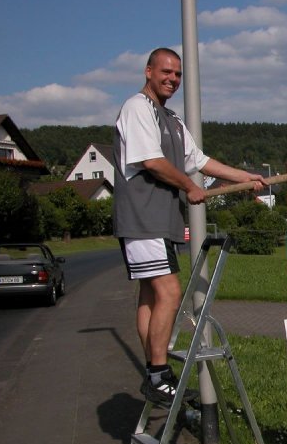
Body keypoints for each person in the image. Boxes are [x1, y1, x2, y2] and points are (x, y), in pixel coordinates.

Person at [113, 47, 265, 405]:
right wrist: (189, 187)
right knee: (168, 292)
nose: (173, 79)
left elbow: (200, 160)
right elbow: (151, 161)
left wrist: (244, 176)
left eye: (178, 74)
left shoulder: (172, 119)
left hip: (160, 220)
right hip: (142, 218)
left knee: (151, 295)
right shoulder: (137, 108)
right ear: (148, 71)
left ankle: (155, 370)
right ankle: (157, 375)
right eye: (166, 71)